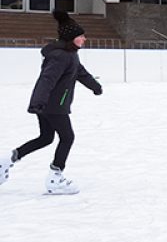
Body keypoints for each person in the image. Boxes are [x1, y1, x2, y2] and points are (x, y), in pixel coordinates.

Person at [2, 11, 103, 195]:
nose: (84, 39)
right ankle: (55, 177)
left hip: (48, 105)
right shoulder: (61, 56)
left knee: (46, 138)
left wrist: (95, 86)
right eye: (81, 36)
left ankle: (7, 159)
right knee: (67, 137)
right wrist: (37, 102)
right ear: (72, 38)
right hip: (53, 105)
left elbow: (80, 72)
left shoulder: (71, 54)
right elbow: (46, 79)